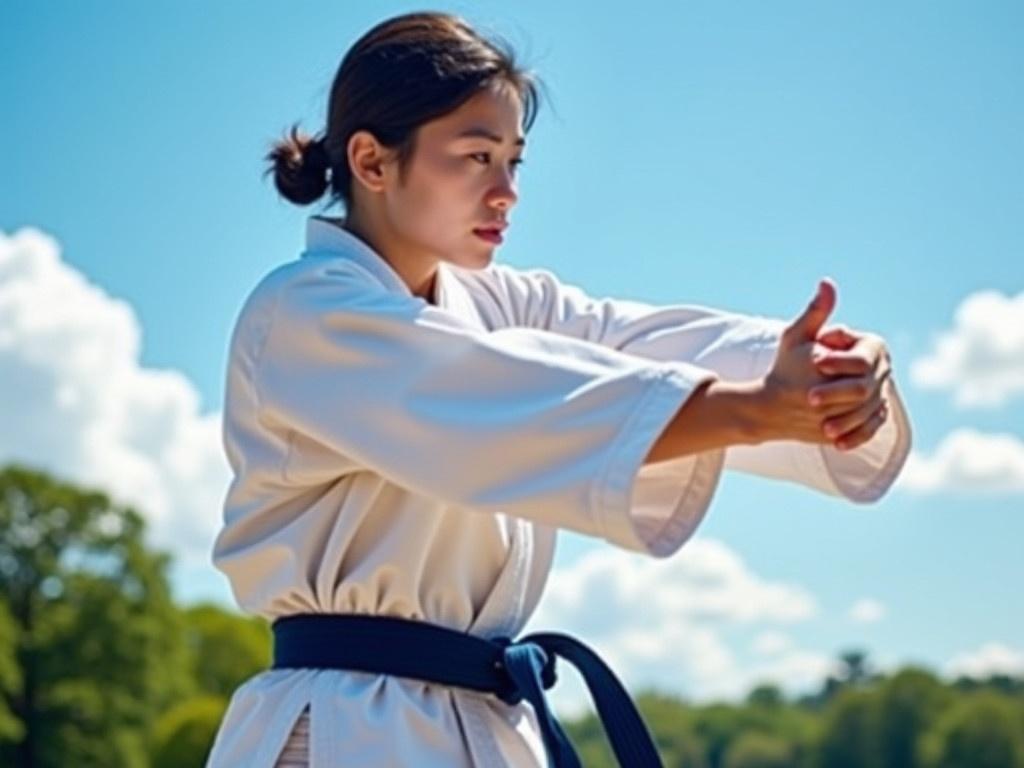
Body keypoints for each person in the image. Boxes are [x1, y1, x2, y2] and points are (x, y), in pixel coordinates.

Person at [205, 10, 912, 768]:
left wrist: (821, 373)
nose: (506, 191)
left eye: (515, 161)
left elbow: (629, 342)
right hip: (346, 726)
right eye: (476, 157)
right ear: (373, 162)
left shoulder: (497, 306)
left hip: (488, 727)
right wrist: (746, 412)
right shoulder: (305, 311)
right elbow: (500, 404)